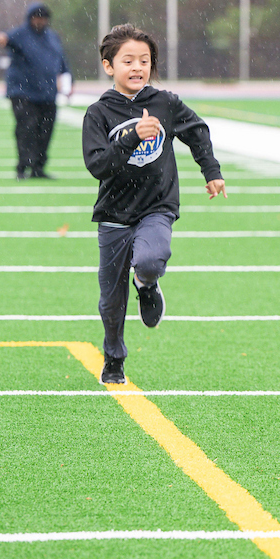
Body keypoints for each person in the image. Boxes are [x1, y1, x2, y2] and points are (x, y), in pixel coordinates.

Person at [82, 24, 227, 385]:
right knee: (111, 302)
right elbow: (98, 165)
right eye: (127, 60)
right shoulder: (98, 114)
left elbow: (197, 132)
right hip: (114, 215)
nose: (137, 67)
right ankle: (113, 358)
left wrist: (211, 171)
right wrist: (131, 136)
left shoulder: (165, 103)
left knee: (150, 258)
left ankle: (146, 284)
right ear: (108, 66)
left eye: (144, 60)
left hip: (156, 207)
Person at [0, 2, 70, 179]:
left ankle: (38, 168)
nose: (40, 21)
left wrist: (67, 80)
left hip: (47, 92)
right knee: (26, 129)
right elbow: (6, 39)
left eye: (43, 18)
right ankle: (23, 166)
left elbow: (62, 60)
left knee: (46, 130)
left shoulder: (52, 37)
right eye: (36, 17)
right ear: (30, 18)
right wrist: (1, 38)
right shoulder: (20, 34)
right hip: (23, 91)